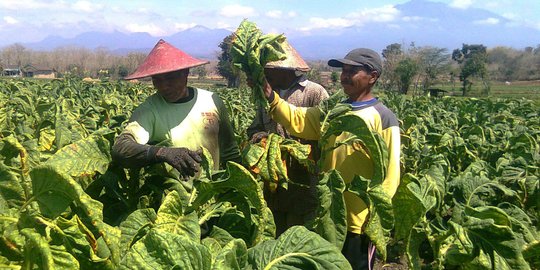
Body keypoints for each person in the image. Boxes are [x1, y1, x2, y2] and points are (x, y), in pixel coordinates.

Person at [261, 48, 401, 269]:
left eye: (353, 71)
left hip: (359, 220)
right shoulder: (334, 110)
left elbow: (391, 176)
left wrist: (374, 219)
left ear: (372, 77)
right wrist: (271, 96)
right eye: (343, 70)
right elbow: (300, 120)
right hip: (327, 214)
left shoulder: (383, 118)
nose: (345, 76)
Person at [112, 39, 241, 182]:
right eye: (157, 80)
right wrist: (162, 152)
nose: (163, 86)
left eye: (170, 78)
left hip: (210, 197)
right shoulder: (149, 110)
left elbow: (230, 151)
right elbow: (121, 147)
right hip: (173, 200)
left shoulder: (212, 100)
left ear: (185, 73)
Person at [246, 40, 329, 236]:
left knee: (300, 233)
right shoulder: (265, 95)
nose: (263, 75)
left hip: (304, 181)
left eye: (268, 70)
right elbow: (254, 127)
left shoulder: (314, 93)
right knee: (275, 230)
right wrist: (260, 138)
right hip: (273, 181)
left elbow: (326, 135)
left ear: (286, 69)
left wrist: (296, 148)